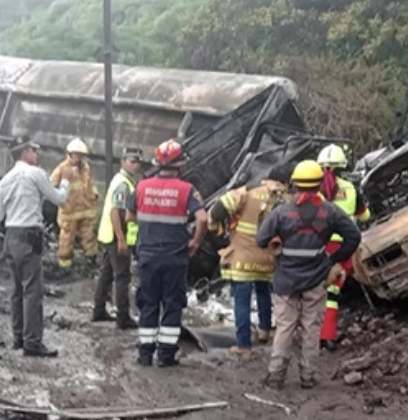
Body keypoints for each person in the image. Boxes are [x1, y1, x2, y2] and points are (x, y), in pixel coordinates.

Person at [256, 160, 361, 389]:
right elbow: (354, 236)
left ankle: (276, 377)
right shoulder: (330, 212)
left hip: (286, 280)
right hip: (316, 278)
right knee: (311, 329)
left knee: (285, 328)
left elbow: (261, 238)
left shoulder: (282, 212)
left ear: (295, 183)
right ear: (320, 184)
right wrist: (333, 259)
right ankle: (308, 377)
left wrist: (279, 243)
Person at [127, 139, 207, 367]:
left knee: (148, 303)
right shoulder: (187, 190)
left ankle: (144, 354)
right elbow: (202, 218)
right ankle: (166, 355)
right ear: (180, 164)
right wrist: (195, 242)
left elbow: (129, 216)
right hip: (175, 257)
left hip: (147, 256)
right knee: (172, 304)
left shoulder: (141, 186)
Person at [0, 139, 75, 358]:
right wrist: (65, 180)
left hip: (10, 236)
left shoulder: (5, 181)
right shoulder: (35, 174)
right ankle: (32, 342)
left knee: (17, 290)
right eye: (34, 151)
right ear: (26, 152)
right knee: (32, 291)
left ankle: (18, 337)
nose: (36, 155)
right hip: (29, 236)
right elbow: (58, 198)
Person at [209, 175, 289, 357]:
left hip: (243, 257)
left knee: (242, 299)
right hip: (268, 256)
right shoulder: (285, 197)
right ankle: (264, 331)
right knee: (263, 292)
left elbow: (218, 209)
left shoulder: (247, 192)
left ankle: (244, 345)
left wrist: (217, 227)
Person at [317, 144, 372, 351]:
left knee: (313, 289)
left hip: (320, 245)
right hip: (344, 246)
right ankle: (327, 336)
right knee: (332, 292)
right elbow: (365, 216)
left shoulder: (318, 191)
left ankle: (307, 333)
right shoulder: (351, 189)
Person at [92, 147, 144, 328]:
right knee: (122, 277)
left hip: (108, 235)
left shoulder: (122, 180)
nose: (135, 165)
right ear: (123, 161)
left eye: (137, 162)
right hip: (116, 237)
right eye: (132, 161)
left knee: (106, 275)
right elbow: (116, 212)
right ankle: (123, 317)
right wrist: (122, 239)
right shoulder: (123, 183)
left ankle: (98, 310)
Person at [49, 138, 100, 270]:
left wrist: (94, 194)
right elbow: (51, 185)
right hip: (69, 212)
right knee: (67, 239)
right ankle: (65, 265)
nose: (79, 158)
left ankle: (91, 260)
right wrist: (61, 199)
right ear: (70, 154)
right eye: (77, 154)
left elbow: (90, 184)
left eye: (81, 155)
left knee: (89, 236)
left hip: (86, 209)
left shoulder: (86, 168)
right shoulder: (62, 169)